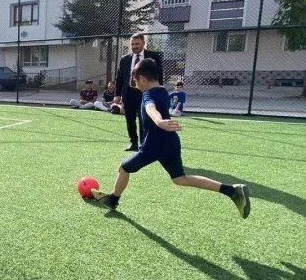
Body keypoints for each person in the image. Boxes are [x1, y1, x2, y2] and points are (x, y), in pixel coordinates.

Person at [92, 58, 251, 219]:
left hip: (153, 146)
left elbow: (150, 108)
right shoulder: (163, 92)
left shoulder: (148, 94)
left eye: (135, 79)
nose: (134, 83)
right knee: (180, 178)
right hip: (170, 142)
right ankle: (232, 191)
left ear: (142, 79)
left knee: (123, 168)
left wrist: (159, 120)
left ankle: (113, 200)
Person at [114, 33, 163, 152]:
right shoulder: (125, 59)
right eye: (132, 44)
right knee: (129, 119)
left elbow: (159, 75)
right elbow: (120, 77)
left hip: (145, 93)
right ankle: (133, 143)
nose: (134, 46)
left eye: (137, 44)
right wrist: (117, 94)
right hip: (129, 93)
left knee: (144, 120)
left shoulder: (153, 57)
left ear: (143, 43)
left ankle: (144, 144)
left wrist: (157, 90)